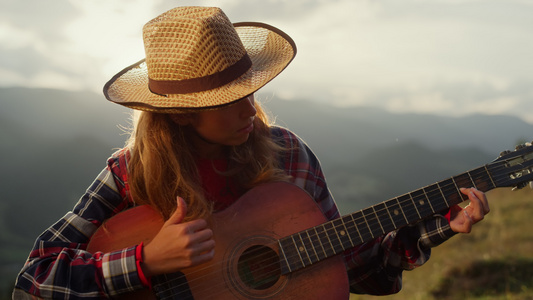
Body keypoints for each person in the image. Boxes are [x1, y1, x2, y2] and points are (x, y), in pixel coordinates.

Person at [13, 6, 490, 299]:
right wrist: (145, 262)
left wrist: (435, 228)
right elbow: (35, 279)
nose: (251, 109)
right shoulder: (128, 173)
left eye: (251, 90)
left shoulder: (288, 155)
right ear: (181, 114)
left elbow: (344, 269)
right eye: (230, 100)